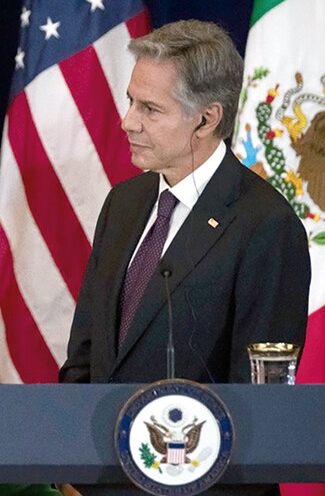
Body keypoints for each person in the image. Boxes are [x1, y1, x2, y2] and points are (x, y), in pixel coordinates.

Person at [59, 20, 310, 386]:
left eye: (150, 109)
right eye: (131, 101)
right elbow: (85, 356)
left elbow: (260, 395)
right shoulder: (123, 203)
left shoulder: (266, 225)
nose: (128, 122)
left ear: (206, 120)